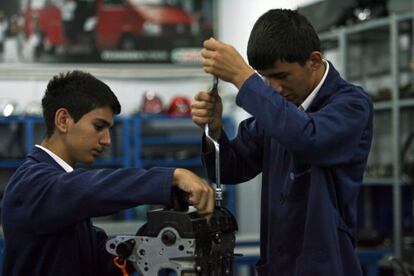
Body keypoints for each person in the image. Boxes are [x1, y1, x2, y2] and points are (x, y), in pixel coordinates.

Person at [191, 9, 373, 276]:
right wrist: (215, 131)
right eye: (265, 77)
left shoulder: (352, 105)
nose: (274, 87)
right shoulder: (277, 113)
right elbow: (231, 168)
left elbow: (309, 138)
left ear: (313, 60)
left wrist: (244, 78)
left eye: (282, 76)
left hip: (327, 266)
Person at [2, 70, 215, 275]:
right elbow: (88, 189)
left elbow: (102, 260)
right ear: (63, 120)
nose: (107, 140)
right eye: (98, 126)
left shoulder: (64, 196)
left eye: (109, 129)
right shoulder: (31, 183)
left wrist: (164, 229)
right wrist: (171, 178)